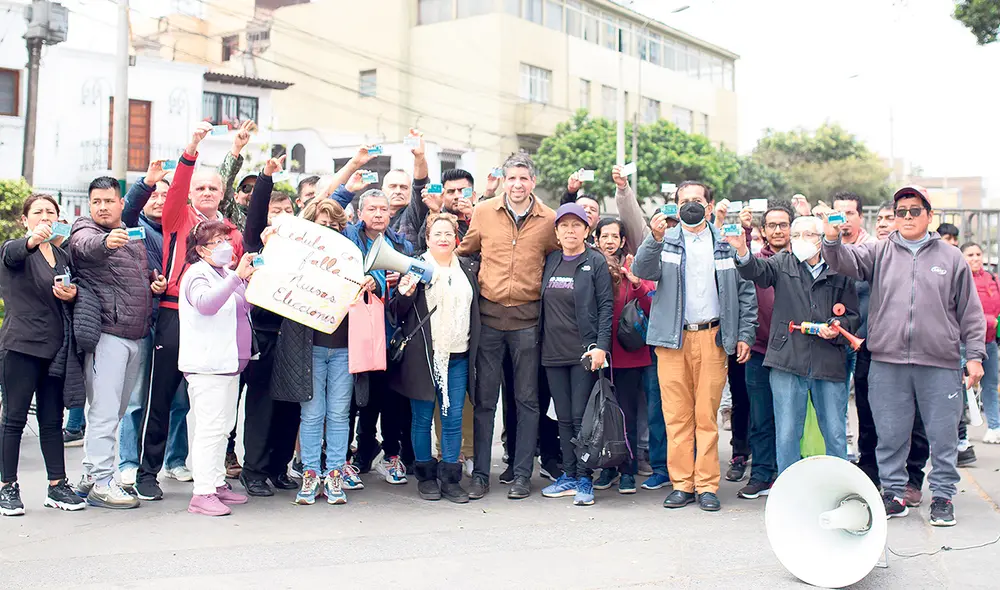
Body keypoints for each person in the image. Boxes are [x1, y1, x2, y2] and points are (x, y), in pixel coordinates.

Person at [822, 185, 985, 527]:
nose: (907, 217)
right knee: (890, 433)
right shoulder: (880, 252)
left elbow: (970, 312)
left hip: (939, 362)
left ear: (929, 215)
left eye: (914, 211)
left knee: (942, 435)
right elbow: (841, 260)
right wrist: (832, 238)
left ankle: (942, 496)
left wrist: (974, 357)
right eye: (901, 212)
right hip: (888, 361)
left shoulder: (951, 258)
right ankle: (894, 494)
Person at [632, 181, 757, 513]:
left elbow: (746, 292)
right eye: (684, 201)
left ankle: (706, 485)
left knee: (706, 415)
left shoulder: (726, 244)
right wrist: (654, 237)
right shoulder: (667, 240)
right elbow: (641, 270)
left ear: (710, 205)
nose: (691, 205)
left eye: (697, 200)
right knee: (676, 416)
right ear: (675, 205)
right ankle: (682, 484)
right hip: (672, 340)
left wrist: (744, 333)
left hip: (712, 338)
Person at [140, 122, 245, 502]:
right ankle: (147, 471)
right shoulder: (178, 217)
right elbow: (181, 184)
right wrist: (192, 148)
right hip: (174, 314)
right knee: (163, 396)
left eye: (212, 187)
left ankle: (212, 478)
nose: (205, 192)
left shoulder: (230, 231)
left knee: (211, 405)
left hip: (216, 320)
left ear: (222, 194)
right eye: (199, 187)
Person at [457, 153, 559, 500]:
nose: (517, 185)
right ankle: (482, 475)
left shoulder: (549, 220)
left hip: (528, 322)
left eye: (524, 179)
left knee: (527, 400)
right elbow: (465, 251)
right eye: (511, 178)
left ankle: (521, 475)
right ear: (503, 179)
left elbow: (559, 258)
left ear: (533, 182)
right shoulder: (484, 211)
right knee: (485, 400)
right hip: (488, 320)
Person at [732, 215, 859, 474]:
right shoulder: (782, 262)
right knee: (787, 431)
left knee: (835, 431)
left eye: (809, 235)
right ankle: (788, 488)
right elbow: (756, 271)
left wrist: (836, 326)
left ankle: (840, 486)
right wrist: (742, 250)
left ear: (823, 238)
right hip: (788, 358)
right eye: (797, 235)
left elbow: (853, 316)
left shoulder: (839, 269)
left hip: (828, 360)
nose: (802, 241)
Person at [71, 177, 165, 509]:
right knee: (104, 412)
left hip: (136, 334)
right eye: (96, 201)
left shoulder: (131, 231)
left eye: (109, 201)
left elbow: (136, 274)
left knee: (118, 411)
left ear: (120, 203)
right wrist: (106, 243)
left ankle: (89, 474)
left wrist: (154, 284)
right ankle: (100, 481)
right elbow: (85, 246)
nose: (102, 207)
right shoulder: (86, 230)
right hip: (107, 334)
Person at [270, 199, 364, 505]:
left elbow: (372, 282)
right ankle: (311, 472)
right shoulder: (298, 256)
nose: (330, 230)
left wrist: (369, 283)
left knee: (339, 414)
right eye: (323, 224)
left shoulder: (352, 258)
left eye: (335, 225)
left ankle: (334, 472)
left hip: (344, 348)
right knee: (311, 414)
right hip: (309, 347)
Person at [0, 194, 86, 516]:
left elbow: (74, 290)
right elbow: (11, 254)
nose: (45, 216)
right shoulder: (16, 249)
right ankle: (7, 486)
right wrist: (32, 241)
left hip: (56, 350)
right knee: (13, 419)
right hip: (21, 346)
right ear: (26, 219)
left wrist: (73, 292)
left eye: (50, 211)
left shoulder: (62, 255)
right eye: (38, 212)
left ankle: (57, 485)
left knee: (52, 421)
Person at [390, 213, 480, 503]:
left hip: (459, 355)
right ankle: (426, 475)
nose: (443, 238)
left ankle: (451, 477)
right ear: (427, 239)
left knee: (452, 417)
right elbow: (397, 312)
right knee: (422, 418)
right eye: (436, 233)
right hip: (424, 356)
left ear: (456, 238)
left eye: (448, 233)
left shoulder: (467, 268)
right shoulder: (416, 267)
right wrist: (404, 293)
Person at [118, 162, 191, 487]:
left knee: (179, 399)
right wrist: (146, 181)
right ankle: (130, 462)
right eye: (154, 194)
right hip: (145, 321)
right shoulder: (135, 227)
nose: (160, 199)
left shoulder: (183, 228)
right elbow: (129, 207)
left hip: (178, 319)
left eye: (166, 193)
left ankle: (175, 460)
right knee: (138, 397)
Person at [535, 204, 613, 506]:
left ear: (586, 230)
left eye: (576, 225)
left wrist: (601, 347)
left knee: (582, 419)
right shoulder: (552, 260)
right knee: (563, 418)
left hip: (584, 353)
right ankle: (567, 475)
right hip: (552, 352)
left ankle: (584, 479)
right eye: (564, 226)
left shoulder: (594, 262)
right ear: (556, 232)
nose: (570, 230)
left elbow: (606, 306)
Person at [237, 155, 304, 497]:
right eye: (275, 215)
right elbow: (255, 215)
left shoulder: (304, 254)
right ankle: (254, 471)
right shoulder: (255, 247)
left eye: (288, 214)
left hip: (294, 336)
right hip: (262, 336)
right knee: (261, 405)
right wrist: (266, 178)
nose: (282, 221)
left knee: (289, 405)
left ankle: (280, 468)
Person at [179, 220, 255, 516]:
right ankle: (202, 492)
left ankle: (217, 483)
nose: (225, 245)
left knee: (223, 429)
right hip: (208, 365)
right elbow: (206, 304)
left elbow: (242, 306)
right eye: (216, 241)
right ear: (200, 250)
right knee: (209, 430)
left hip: (228, 365)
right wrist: (237, 278)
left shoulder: (222, 273)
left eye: (226, 238)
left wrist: (244, 279)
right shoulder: (197, 274)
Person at [341, 188, 417, 482]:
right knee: (354, 400)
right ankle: (349, 458)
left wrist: (403, 283)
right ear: (360, 214)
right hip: (355, 330)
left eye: (383, 210)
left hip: (390, 332)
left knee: (390, 399)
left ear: (390, 213)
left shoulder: (403, 245)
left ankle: (391, 454)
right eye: (371, 209)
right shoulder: (349, 237)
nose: (377, 214)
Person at [613, 168, 673, 491]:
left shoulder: (687, 249)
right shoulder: (645, 249)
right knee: (644, 406)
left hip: (670, 339)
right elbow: (632, 218)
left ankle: (665, 463)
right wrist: (623, 190)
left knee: (661, 407)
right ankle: (648, 463)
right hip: (640, 342)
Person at [591, 217, 654, 495]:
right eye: (604, 236)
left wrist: (636, 283)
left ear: (623, 240)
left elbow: (651, 305)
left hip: (629, 353)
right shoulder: (589, 265)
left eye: (615, 236)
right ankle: (607, 465)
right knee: (603, 412)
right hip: (599, 354)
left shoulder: (634, 266)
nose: (609, 241)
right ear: (596, 239)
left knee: (627, 413)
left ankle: (627, 469)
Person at [736, 202, 792, 499]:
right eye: (772, 225)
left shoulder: (803, 261)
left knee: (789, 418)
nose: (778, 230)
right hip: (759, 350)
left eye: (783, 224)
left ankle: (787, 475)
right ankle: (760, 473)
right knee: (761, 417)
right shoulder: (756, 262)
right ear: (763, 230)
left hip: (794, 352)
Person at [961, 242, 1000, 443]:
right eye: (970, 254)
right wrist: (987, 320)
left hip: (990, 342)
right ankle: (960, 436)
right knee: (959, 390)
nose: (975, 258)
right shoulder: (960, 280)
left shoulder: (992, 278)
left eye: (978, 254)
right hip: (964, 345)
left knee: (990, 386)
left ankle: (995, 426)